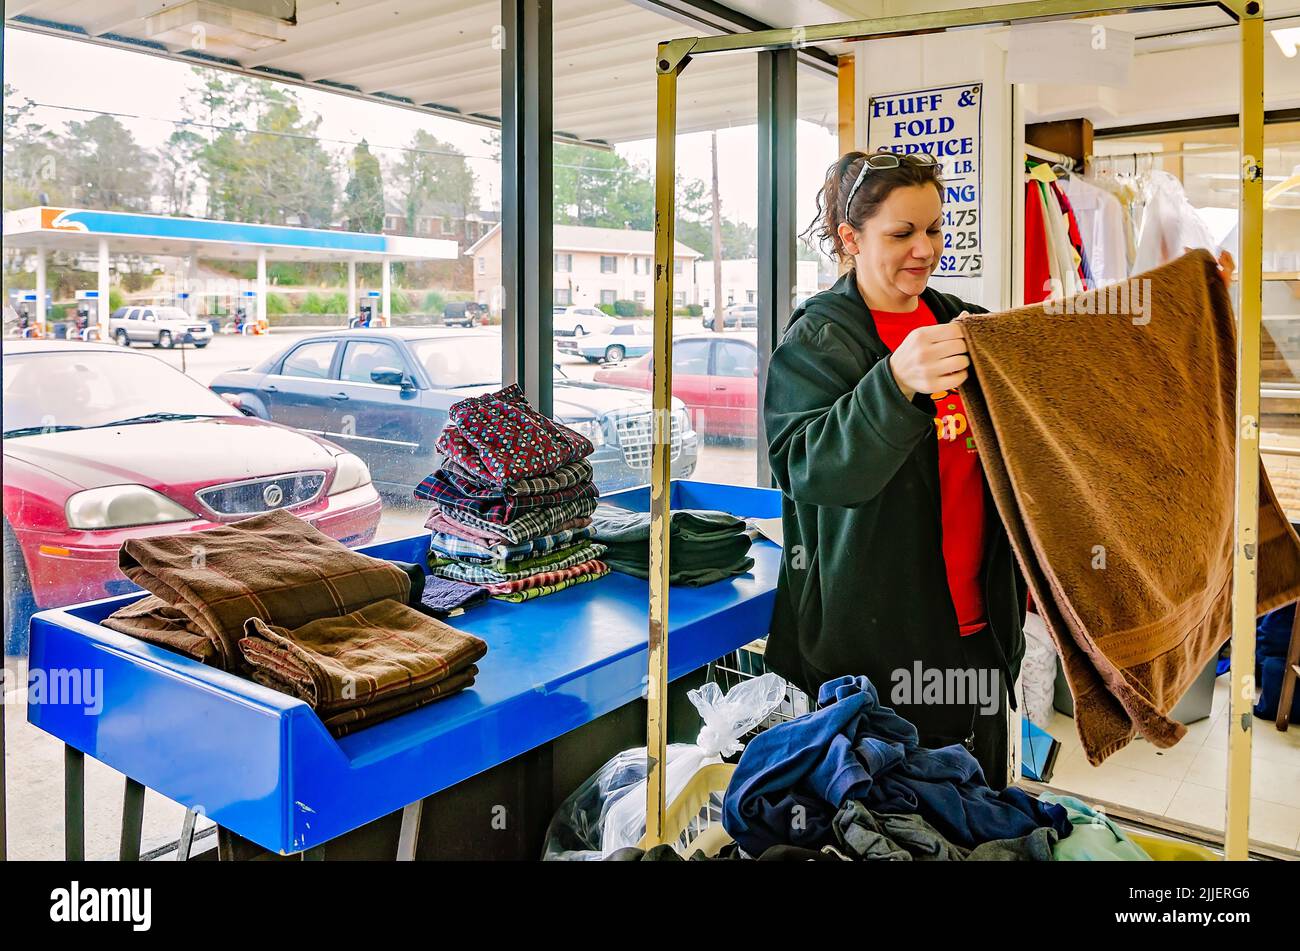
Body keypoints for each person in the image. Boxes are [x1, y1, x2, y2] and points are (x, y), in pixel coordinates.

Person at [762, 149, 1234, 787]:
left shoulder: (967, 324)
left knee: (976, 806)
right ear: (850, 238)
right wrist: (894, 382)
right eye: (901, 233)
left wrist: (1186, 304)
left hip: (980, 625)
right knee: (886, 820)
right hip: (871, 642)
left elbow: (1083, 365)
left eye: (934, 228)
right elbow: (808, 470)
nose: (924, 248)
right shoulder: (820, 339)